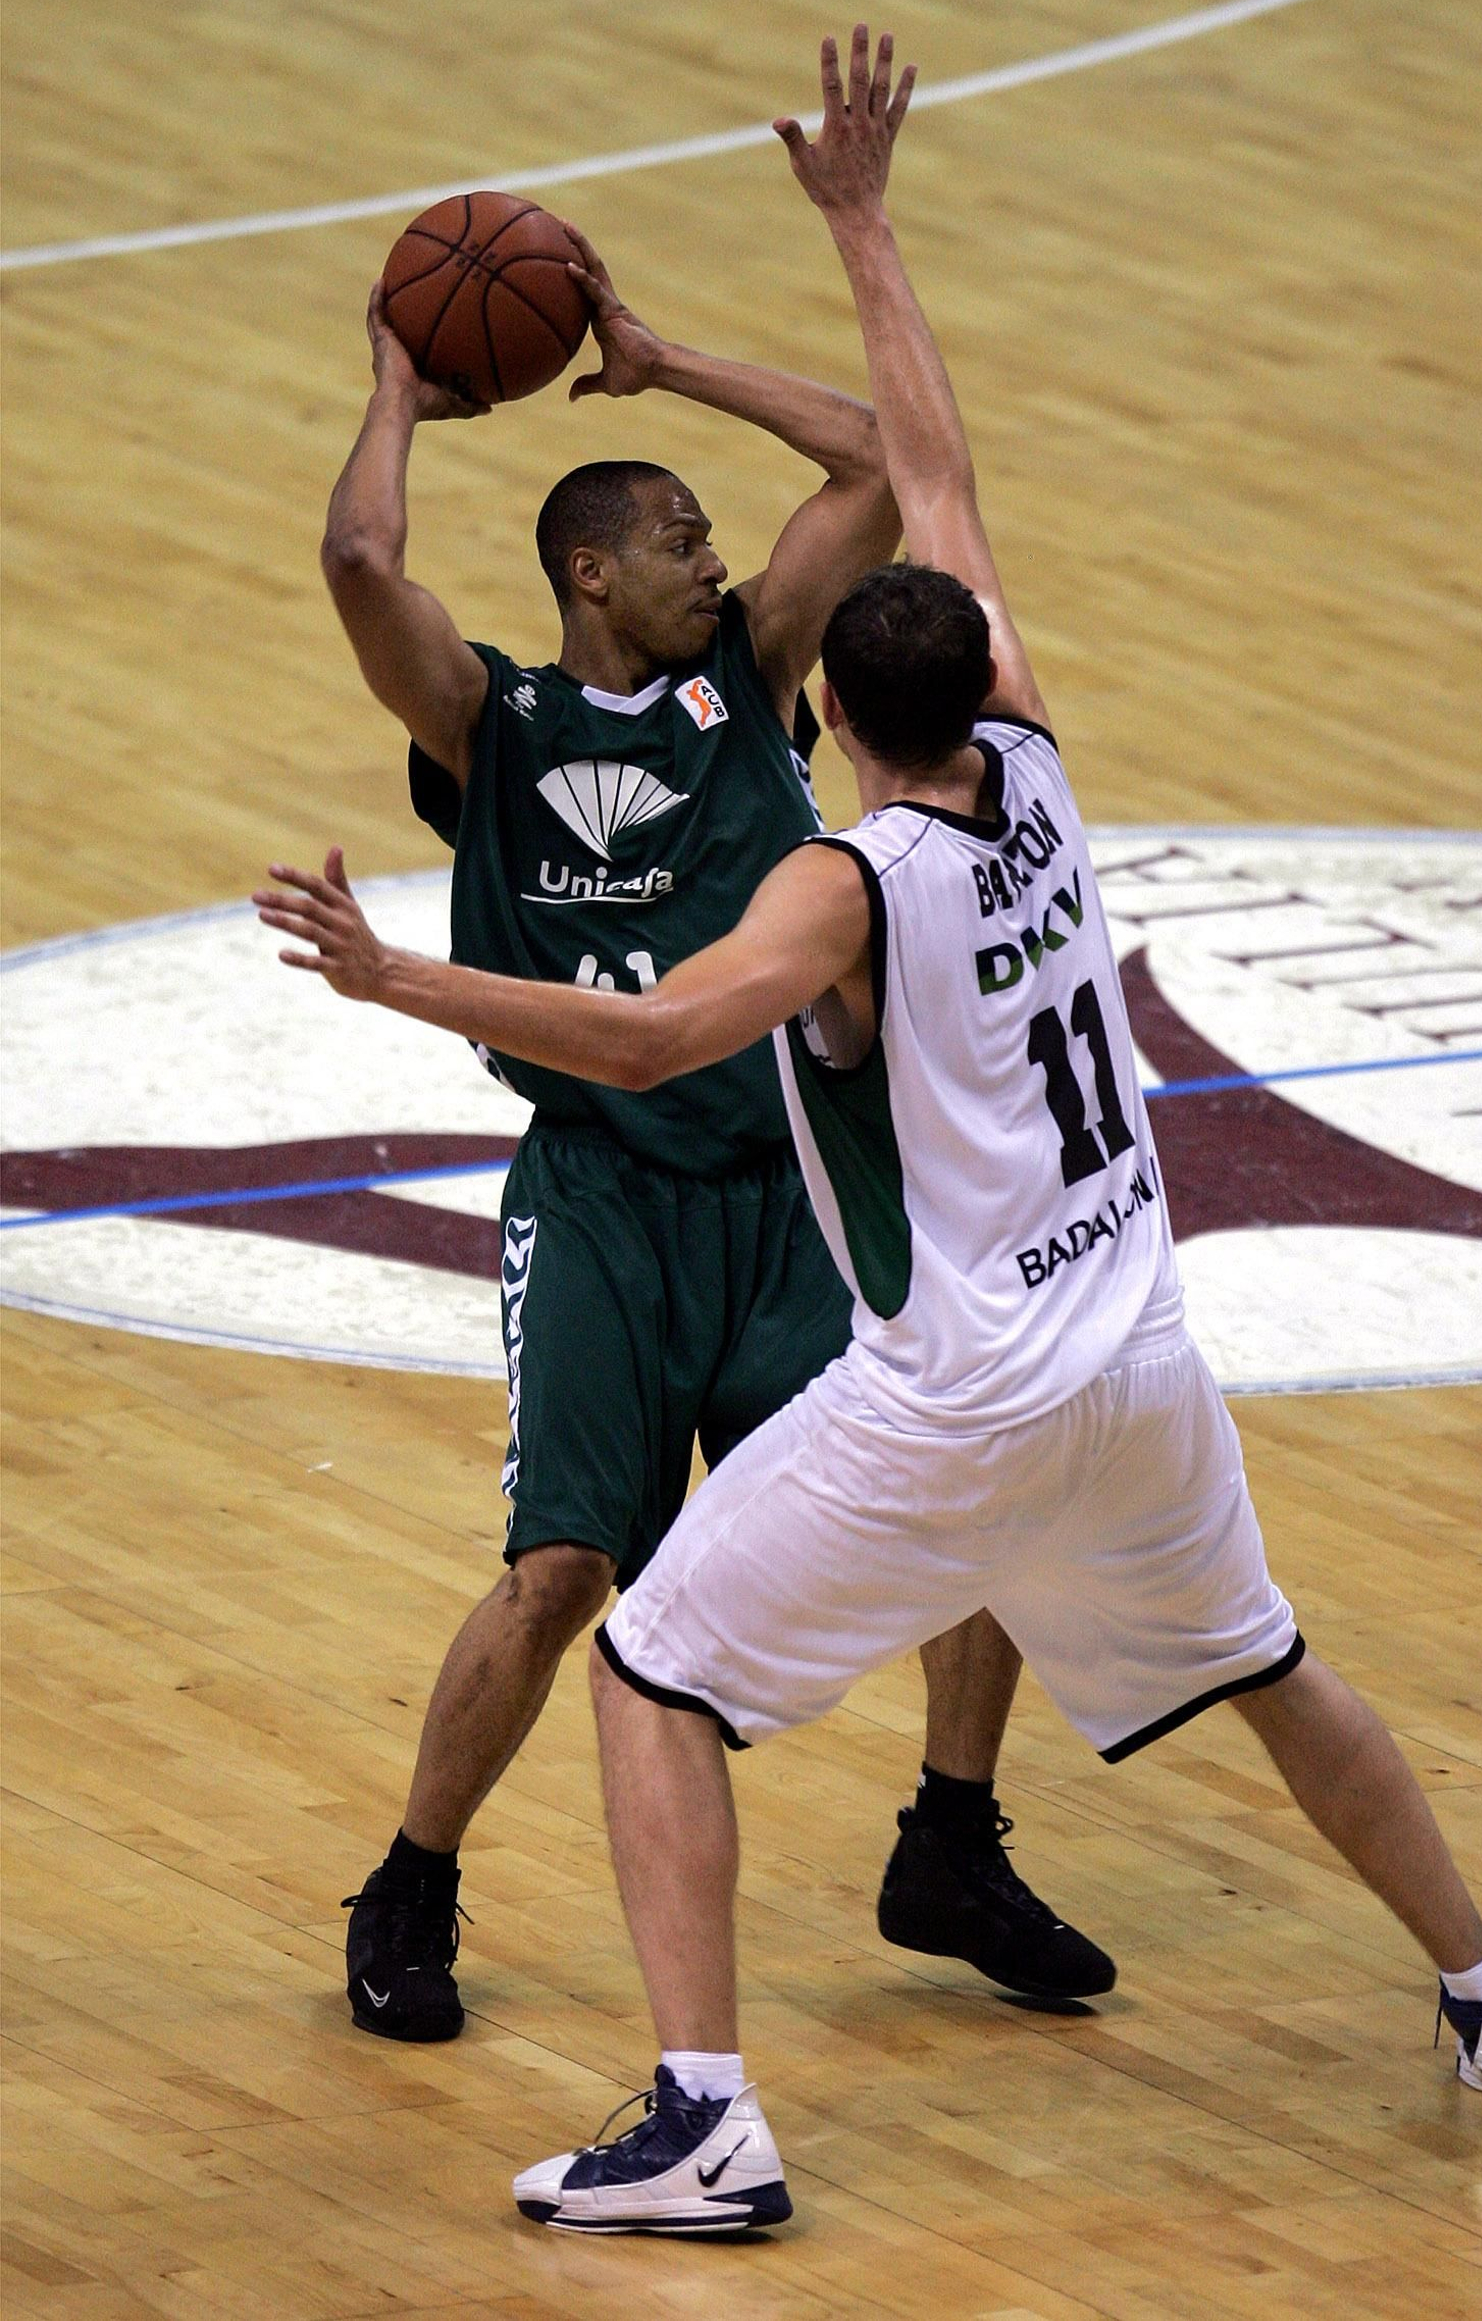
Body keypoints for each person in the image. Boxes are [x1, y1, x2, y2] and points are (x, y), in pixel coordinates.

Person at [266, 30, 1482, 2229]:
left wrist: (393, 971)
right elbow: (936, 471)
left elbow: (662, 1030)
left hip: (957, 1384)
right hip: (1136, 1362)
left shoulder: (843, 880)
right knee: (1273, 1668)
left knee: (659, 1674)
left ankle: (707, 2112)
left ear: (826, 713)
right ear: (974, 679)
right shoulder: (1046, 767)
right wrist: (862, 224)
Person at [316, 173, 1114, 2043]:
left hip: (795, 1191)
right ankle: (413, 1875)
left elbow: (868, 471)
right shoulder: (488, 729)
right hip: (600, 1194)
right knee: (564, 1570)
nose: (713, 559)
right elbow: (365, 571)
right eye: (676, 540)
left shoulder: (755, 680)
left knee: (972, 1492)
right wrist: (394, 387)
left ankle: (951, 1837)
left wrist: (664, 366)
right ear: (589, 574)